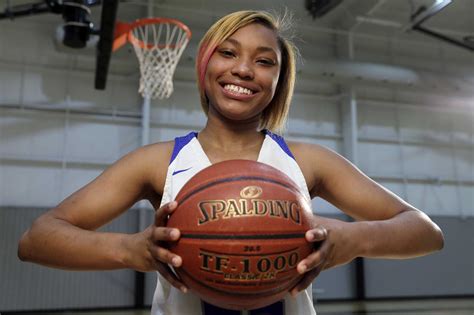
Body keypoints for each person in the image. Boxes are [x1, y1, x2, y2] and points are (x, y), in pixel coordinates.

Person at [18, 10, 444, 315]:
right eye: (228, 53)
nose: (244, 70)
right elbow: (37, 239)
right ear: (206, 67)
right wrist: (129, 249)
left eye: (264, 61)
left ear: (278, 83)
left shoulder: (308, 161)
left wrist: (352, 240)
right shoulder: (158, 162)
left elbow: (426, 233)